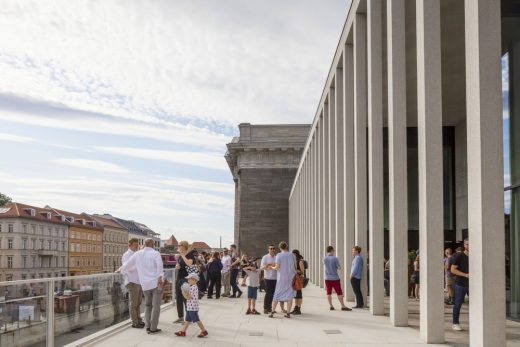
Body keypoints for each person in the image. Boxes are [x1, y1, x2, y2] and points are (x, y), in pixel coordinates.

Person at [118, 238, 164, 334]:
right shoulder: (156, 253)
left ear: (144, 244)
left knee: (147, 305)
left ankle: (147, 326)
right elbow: (160, 266)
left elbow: (127, 264)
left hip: (144, 285)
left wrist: (120, 269)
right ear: (153, 245)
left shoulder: (137, 254)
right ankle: (153, 328)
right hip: (155, 283)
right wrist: (160, 277)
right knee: (155, 306)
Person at [174, 273, 209, 338]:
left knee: (197, 320)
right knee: (187, 320)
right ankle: (183, 332)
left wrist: (183, 292)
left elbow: (188, 297)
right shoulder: (192, 287)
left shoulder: (193, 288)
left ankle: (204, 331)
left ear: (194, 280)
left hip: (192, 308)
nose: (188, 280)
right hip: (190, 307)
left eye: (189, 279)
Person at [269, 242, 296, 318]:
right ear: (286, 247)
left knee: (277, 294)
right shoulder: (292, 255)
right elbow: (295, 266)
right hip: (291, 277)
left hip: (281, 278)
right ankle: (288, 313)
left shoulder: (279, 255)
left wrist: (272, 267)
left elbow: (277, 267)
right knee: (289, 295)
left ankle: (272, 312)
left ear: (280, 247)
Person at [121, 238, 144, 328]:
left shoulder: (136, 254)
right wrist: (137, 266)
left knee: (138, 302)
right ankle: (134, 322)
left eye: (137, 245)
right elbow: (127, 268)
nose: (136, 246)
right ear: (129, 245)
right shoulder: (126, 255)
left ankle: (139, 319)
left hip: (138, 281)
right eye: (135, 245)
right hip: (132, 281)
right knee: (133, 303)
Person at [323, 246, 352, 311]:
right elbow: (339, 267)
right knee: (339, 292)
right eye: (333, 251)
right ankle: (343, 306)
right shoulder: (335, 258)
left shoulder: (324, 258)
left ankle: (331, 306)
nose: (334, 252)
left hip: (327, 278)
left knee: (329, 292)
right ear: (332, 250)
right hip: (335, 278)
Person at [174, 241, 197, 323]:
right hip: (179, 278)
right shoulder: (180, 256)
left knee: (186, 298)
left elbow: (189, 264)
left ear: (184, 246)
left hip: (186, 280)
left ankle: (188, 318)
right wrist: (177, 267)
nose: (178, 246)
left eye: (179, 245)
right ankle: (180, 317)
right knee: (179, 298)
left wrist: (182, 255)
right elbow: (180, 265)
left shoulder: (189, 255)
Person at [451, 239, 469, 331]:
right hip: (460, 284)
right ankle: (455, 323)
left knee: (478, 304)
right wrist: (465, 275)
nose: (469, 246)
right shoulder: (460, 255)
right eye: (467, 244)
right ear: (464, 245)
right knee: (458, 304)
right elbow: (453, 270)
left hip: (474, 285)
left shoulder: (477, 256)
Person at [261, 244, 277, 314]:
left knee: (273, 294)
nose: (272, 250)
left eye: (273, 248)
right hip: (267, 278)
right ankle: (265, 308)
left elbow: (278, 267)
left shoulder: (276, 257)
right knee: (268, 293)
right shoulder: (265, 257)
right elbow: (261, 267)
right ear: (268, 250)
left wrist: (273, 266)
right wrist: (267, 265)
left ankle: (269, 307)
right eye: (271, 248)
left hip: (275, 278)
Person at [291, 249, 307, 315]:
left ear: (295, 254)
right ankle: (296, 308)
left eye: (293, 254)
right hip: (295, 279)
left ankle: (298, 309)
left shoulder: (300, 261)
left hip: (299, 279)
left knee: (299, 294)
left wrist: (296, 270)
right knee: (296, 295)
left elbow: (302, 272)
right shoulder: (295, 260)